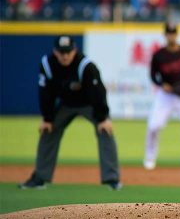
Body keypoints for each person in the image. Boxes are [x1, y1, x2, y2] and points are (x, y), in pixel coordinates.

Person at [19, 36, 122, 190]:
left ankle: (112, 179)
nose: (65, 56)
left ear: (75, 50)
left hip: (89, 104)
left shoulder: (86, 66)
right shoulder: (48, 64)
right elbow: (45, 92)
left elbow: (98, 92)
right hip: (66, 104)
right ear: (55, 52)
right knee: (48, 130)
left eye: (68, 52)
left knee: (105, 130)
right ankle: (40, 178)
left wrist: (103, 118)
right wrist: (47, 118)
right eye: (61, 52)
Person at [143, 22, 180, 171]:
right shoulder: (159, 55)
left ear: (177, 34)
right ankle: (149, 159)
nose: (172, 36)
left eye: (174, 33)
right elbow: (152, 75)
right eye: (169, 33)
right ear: (165, 35)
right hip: (166, 96)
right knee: (153, 126)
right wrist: (162, 84)